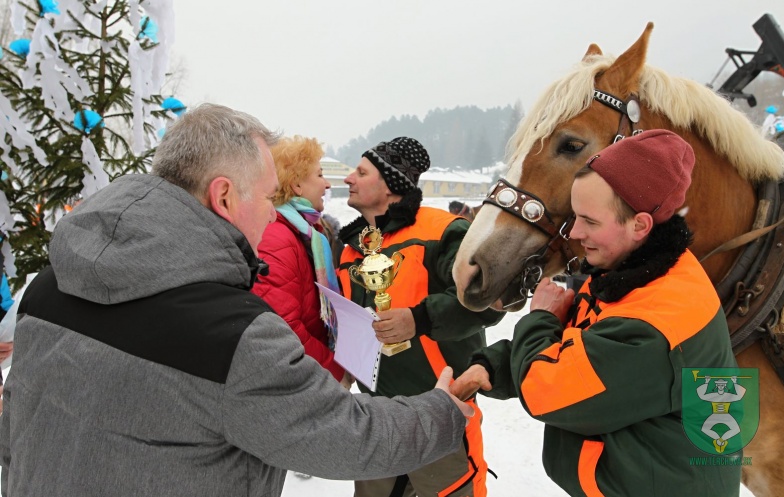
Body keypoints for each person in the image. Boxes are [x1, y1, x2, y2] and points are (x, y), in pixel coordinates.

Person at [0, 104, 475, 497]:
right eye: (269, 196)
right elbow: (343, 435)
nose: (274, 211)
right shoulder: (232, 335)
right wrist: (440, 413)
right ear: (224, 196)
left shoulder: (49, 285)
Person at [452, 129, 741, 496]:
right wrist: (492, 365)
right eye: (575, 216)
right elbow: (582, 345)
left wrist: (539, 317)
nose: (574, 231)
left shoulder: (655, 327)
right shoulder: (631, 272)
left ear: (640, 225)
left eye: (589, 221)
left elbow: (548, 390)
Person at [337, 136, 504, 497]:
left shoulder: (443, 231)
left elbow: (487, 301)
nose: (348, 178)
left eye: (361, 172)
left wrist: (419, 319)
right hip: (376, 417)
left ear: (389, 186)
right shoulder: (352, 248)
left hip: (438, 410)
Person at [252, 135, 350, 387]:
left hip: (305, 374)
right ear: (296, 184)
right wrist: (333, 369)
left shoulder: (303, 233)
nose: (327, 184)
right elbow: (282, 327)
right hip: (296, 381)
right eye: (319, 175)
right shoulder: (277, 236)